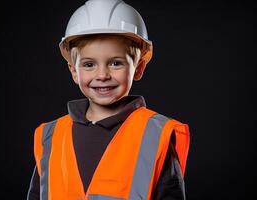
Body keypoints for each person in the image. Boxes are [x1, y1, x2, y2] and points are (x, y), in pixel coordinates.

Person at [27, 0, 190, 199]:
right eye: (89, 64)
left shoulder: (155, 135)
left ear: (138, 68)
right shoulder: (51, 136)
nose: (102, 75)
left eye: (115, 63)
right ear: (73, 71)